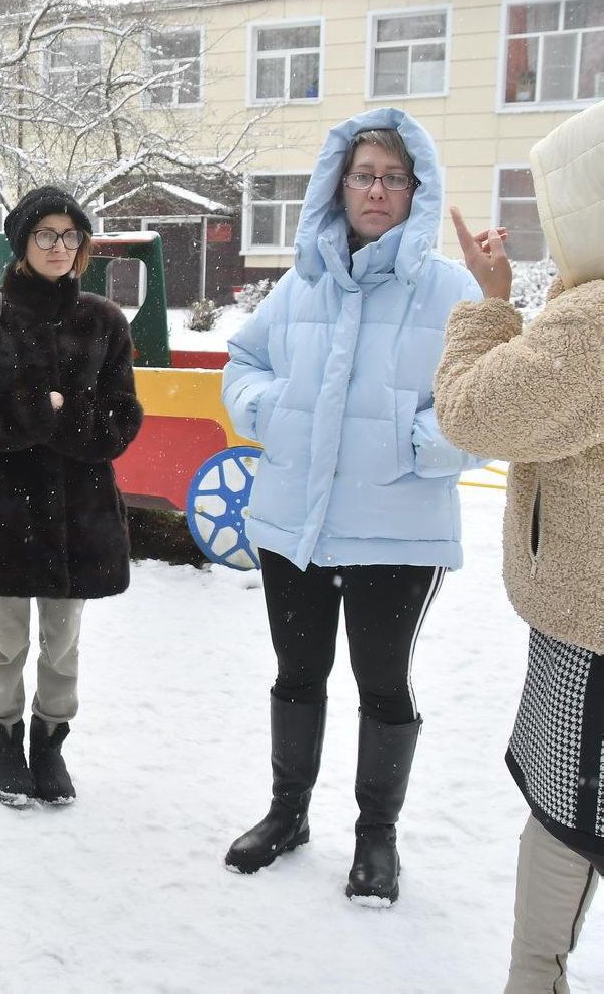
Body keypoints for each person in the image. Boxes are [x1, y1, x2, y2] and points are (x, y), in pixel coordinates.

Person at [220, 107, 486, 905]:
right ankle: (287, 812)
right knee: (296, 674)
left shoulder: (451, 290)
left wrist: (413, 445)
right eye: (363, 175)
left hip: (396, 529)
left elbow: (484, 401)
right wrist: (270, 411)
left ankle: (377, 838)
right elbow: (243, 360)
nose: (376, 190)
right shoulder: (302, 281)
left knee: (382, 683)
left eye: (393, 178)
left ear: (417, 190)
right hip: (292, 522)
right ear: (338, 184)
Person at [432, 100, 604, 992]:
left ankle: (532, 980)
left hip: (591, 636)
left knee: (568, 815)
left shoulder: (597, 324)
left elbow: (474, 411)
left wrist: (489, 306)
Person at [0, 186, 143, 809]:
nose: (59, 246)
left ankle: (51, 744)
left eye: (70, 235)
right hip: (8, 506)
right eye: (46, 235)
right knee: (6, 637)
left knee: (64, 639)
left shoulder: (104, 320)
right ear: (23, 243)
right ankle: (4, 742)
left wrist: (65, 413)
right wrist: (33, 411)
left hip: (80, 511)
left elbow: (123, 419)